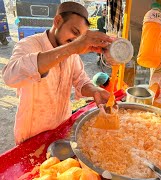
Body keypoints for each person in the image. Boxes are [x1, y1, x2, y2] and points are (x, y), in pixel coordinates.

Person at [2, 2, 115, 144]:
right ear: (57, 21)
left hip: (62, 128)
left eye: (80, 37)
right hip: (32, 135)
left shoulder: (72, 52)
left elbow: (81, 81)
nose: (76, 40)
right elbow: (9, 78)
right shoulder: (29, 45)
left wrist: (95, 91)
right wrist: (72, 47)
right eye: (74, 32)